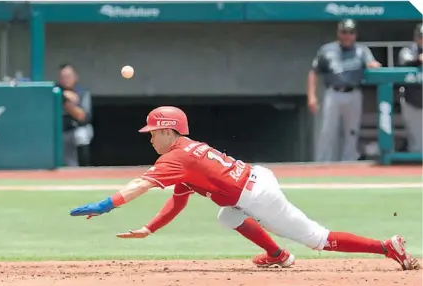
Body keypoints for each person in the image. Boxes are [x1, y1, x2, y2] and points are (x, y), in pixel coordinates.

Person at [69, 106, 419, 271]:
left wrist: (105, 205)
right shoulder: (189, 151)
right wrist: (150, 228)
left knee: (318, 238)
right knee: (227, 217)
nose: (150, 139)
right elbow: (178, 201)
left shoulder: (176, 157)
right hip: (255, 179)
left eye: (153, 133)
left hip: (257, 195)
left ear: (168, 131)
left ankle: (387, 247)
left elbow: (138, 186)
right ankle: (277, 255)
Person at [308, 19, 381, 162]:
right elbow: (314, 72)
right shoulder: (327, 50)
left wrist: (372, 64)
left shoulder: (362, 50)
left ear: (355, 34)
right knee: (328, 131)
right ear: (338, 33)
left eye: (351, 32)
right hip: (333, 93)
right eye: (344, 32)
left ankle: (349, 163)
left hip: (354, 93)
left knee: (352, 131)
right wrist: (311, 96)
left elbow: (371, 63)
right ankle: (323, 164)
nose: (347, 35)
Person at [57, 64, 92, 167]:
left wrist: (68, 104)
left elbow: (83, 117)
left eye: (69, 76)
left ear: (75, 77)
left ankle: (84, 167)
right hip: (59, 129)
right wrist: (62, 96)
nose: (66, 80)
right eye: (63, 77)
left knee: (82, 134)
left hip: (76, 128)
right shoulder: (55, 90)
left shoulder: (82, 92)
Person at [398, 23, 423, 153]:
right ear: (416, 37)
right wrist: (419, 60)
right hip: (412, 100)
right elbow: (406, 62)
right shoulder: (407, 50)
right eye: (420, 36)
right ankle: (415, 169)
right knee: (416, 140)